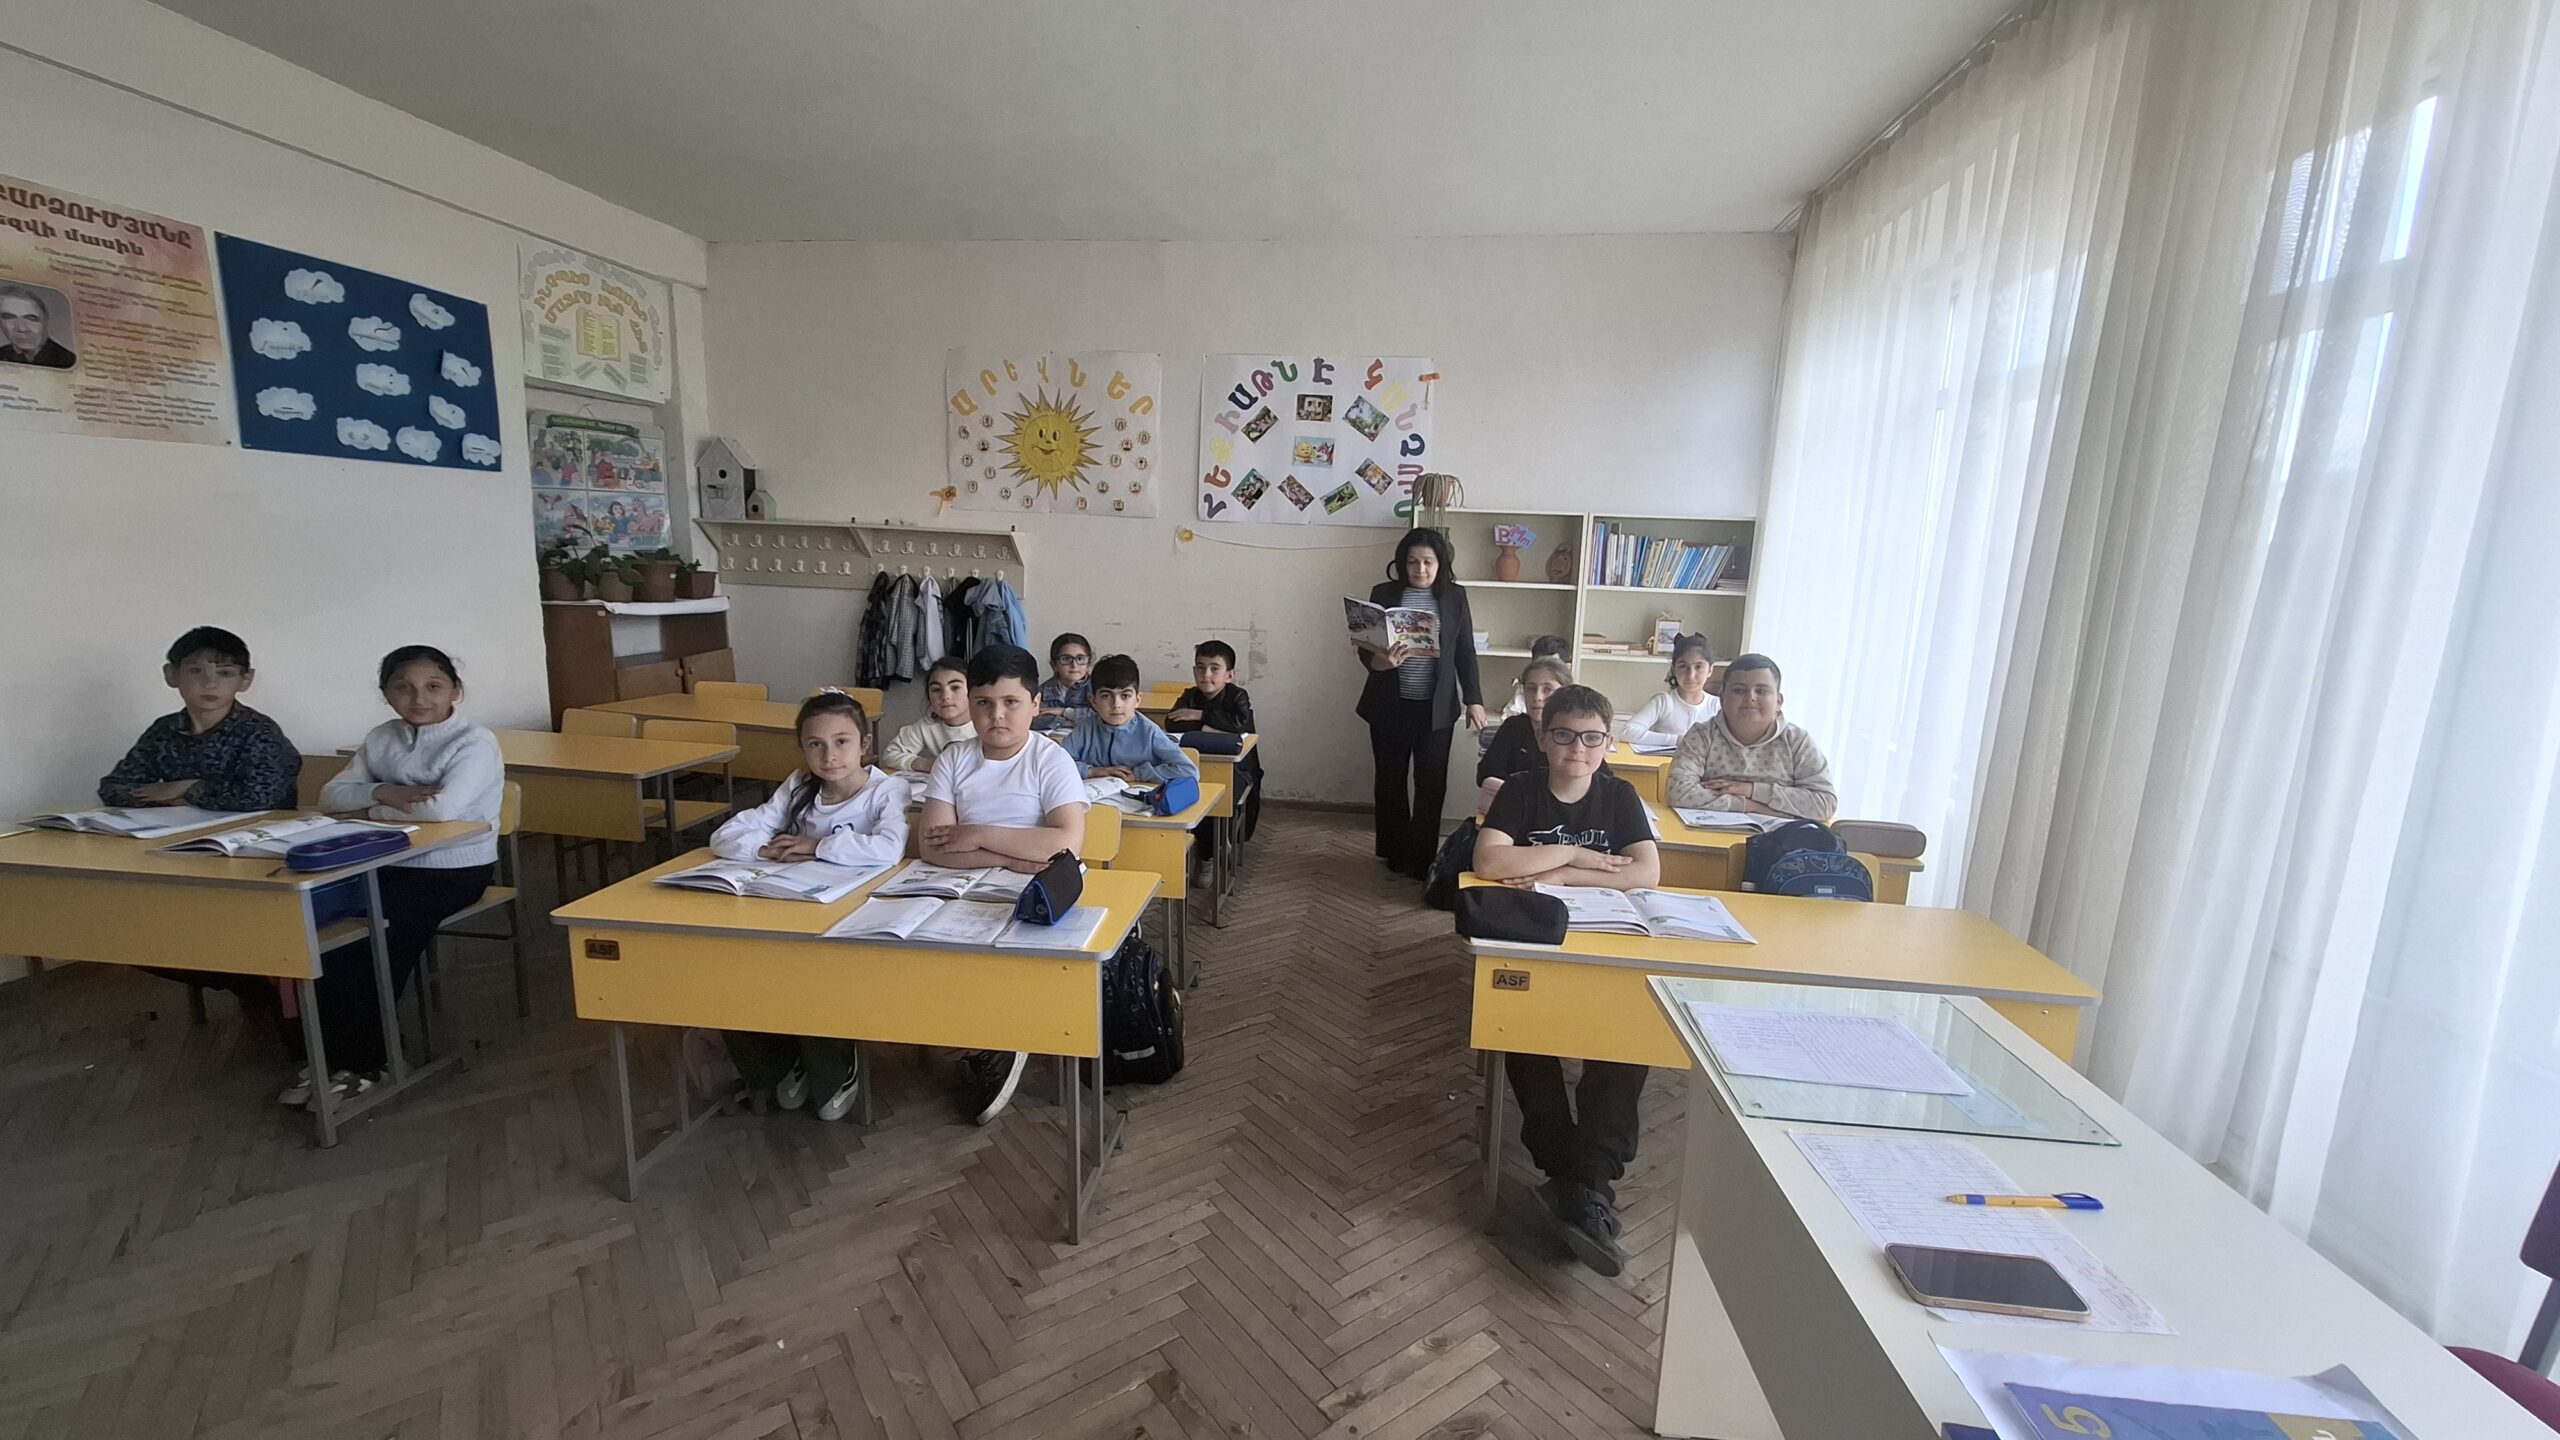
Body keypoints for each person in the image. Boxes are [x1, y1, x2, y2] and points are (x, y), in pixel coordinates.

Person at [1470, 683, 1662, 1275]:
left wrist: (1558, 872)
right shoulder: (1522, 790)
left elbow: (1646, 873)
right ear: (1542, 738)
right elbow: (1489, 862)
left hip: (1608, 944)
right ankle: (1583, 1187)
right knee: (1522, 1033)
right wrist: (1577, 857)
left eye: (1591, 738)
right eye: (1564, 735)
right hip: (1536, 943)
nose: (1578, 749)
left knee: (1628, 1039)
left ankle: (1581, 1183)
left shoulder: (1619, 795)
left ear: (1607, 743)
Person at [301, 646, 504, 1106]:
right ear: (386, 694)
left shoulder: (474, 742)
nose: (419, 699)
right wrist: (385, 790)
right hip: (380, 863)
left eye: (433, 687)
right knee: (320, 934)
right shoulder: (381, 738)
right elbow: (330, 796)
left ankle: (373, 1062)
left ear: (455, 691)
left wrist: (367, 809)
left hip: (453, 868)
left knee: (374, 944)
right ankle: (328, 1057)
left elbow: (442, 810)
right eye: (403, 688)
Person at [708, 690, 907, 1121]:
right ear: (802, 748)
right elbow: (726, 836)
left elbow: (888, 849)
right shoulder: (799, 786)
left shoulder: (886, 790)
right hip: (789, 904)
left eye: (842, 742)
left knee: (818, 976)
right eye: (815, 744)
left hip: (852, 913)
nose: (829, 755)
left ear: (864, 744)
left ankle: (833, 1063)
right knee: (738, 968)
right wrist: (764, 850)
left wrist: (816, 846)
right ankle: (781, 1062)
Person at [920, 643, 1089, 1124]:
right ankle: (981, 1033)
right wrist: (1007, 855)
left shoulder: (1049, 759)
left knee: (1003, 949)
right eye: (984, 703)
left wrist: (976, 834)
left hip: (1032, 891)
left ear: (1035, 704)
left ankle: (1002, 1039)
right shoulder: (954, 759)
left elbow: (1065, 844)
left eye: (1011, 702)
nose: (997, 715)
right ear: (970, 704)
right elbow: (932, 846)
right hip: (957, 884)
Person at [1354, 527, 1485, 878]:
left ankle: (1423, 856)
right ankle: (1395, 852)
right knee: (1390, 781)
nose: (1420, 569)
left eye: (1428, 562)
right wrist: (1379, 662)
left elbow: (1465, 651)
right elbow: (1366, 645)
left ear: (1440, 564)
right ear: (1402, 563)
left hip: (1436, 709)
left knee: (1431, 783)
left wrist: (1474, 699)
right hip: (1389, 705)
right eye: (1412, 562)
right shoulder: (1383, 593)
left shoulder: (1455, 597)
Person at [98, 625, 300, 812]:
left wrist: (188, 788)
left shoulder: (259, 731)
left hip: (253, 832)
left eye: (225, 673)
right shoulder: (165, 729)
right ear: (171, 675)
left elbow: (263, 797)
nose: (210, 684)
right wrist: (172, 800)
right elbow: (113, 787)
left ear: (245, 680)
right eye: (195, 671)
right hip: (181, 829)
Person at [1664, 653, 1837, 821]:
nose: (1750, 698)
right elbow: (1678, 793)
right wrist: (1751, 806)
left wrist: (1752, 790)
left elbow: (1825, 803)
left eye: (1761, 691)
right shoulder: (1702, 735)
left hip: (1781, 837)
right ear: (1722, 699)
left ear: (1778, 702)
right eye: (1738, 690)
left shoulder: (1797, 741)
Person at [1165, 639, 1263, 843]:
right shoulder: (1190, 695)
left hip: (1239, 769)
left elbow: (1239, 724)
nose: (1206, 674)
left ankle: (1219, 845)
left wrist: (1200, 715)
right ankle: (1202, 849)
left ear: (1229, 675)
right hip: (1196, 764)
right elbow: (1172, 723)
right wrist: (1209, 727)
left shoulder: (1238, 696)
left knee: (1219, 802)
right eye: (1200, 668)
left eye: (1214, 668)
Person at [1065, 655, 1198, 784]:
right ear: (1093, 701)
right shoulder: (1085, 730)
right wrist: (1092, 771)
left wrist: (1138, 774)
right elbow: (1056, 763)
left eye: (1125, 696)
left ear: (1138, 699)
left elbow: (1188, 771)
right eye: (1106, 696)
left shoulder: (1149, 732)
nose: (1116, 705)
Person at [1476, 657, 1572, 802]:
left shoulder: (1574, 732)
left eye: (1547, 690)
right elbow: (1485, 775)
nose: (1537, 697)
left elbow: (1597, 781)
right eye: (1531, 689)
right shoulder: (1513, 727)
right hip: (1516, 805)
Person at [1617, 636, 1721, 748]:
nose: (1691, 675)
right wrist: (1676, 740)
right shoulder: (1663, 702)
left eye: (1698, 667)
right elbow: (1626, 732)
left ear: (1710, 670)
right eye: (1683, 666)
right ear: (1674, 669)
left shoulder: (1718, 706)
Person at [882, 657, 975, 774]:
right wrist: (928, 764)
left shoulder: (986, 724)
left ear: (973, 690)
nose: (945, 696)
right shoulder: (927, 725)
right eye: (936, 689)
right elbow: (890, 754)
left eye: (955, 687)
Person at [1032, 632, 1094, 738]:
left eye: (1080, 658)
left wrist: (1063, 712)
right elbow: (1034, 719)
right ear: (1054, 665)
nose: (1074, 665)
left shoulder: (1096, 688)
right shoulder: (1044, 690)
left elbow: (1101, 717)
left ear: (1088, 664)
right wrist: (1067, 722)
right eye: (1066, 659)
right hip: (1051, 739)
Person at [0, 285, 74, 368]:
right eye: (9, 317)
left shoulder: (68, 361)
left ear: (45, 320)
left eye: (31, 318)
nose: (22, 328)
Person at [1501, 635, 1573, 717]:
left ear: (1567, 668)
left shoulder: (1575, 708)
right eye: (1538, 664)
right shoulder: (1525, 689)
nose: (1537, 697)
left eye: (1551, 666)